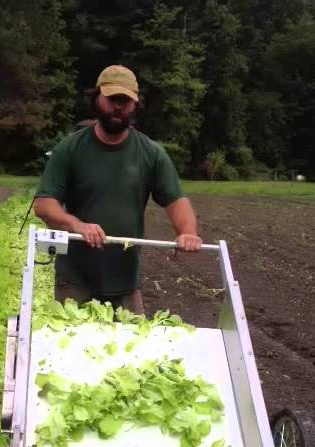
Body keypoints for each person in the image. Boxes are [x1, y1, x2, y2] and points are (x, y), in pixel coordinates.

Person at [34, 65, 202, 314]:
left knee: (133, 350)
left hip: (125, 280)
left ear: (135, 104)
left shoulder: (151, 153)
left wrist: (188, 232)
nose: (118, 107)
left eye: (125, 100)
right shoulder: (70, 149)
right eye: (112, 99)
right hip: (74, 279)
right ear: (97, 98)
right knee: (70, 348)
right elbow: (44, 204)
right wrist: (78, 226)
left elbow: (176, 200)